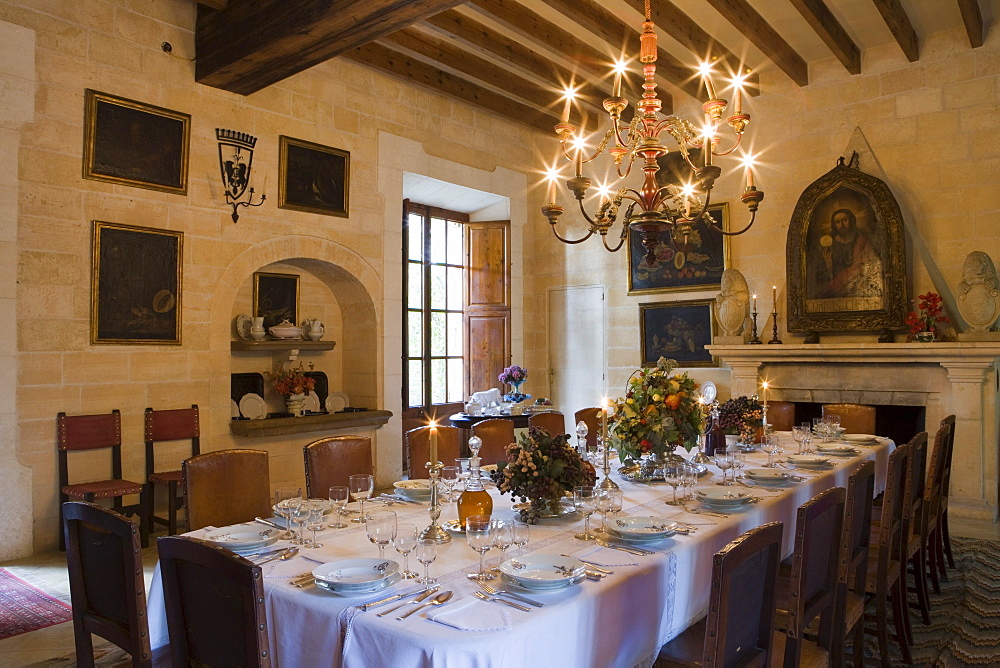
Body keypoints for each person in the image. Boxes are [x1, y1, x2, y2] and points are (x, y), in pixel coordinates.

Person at [816, 208, 883, 299]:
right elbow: (820, 277)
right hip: (835, 291)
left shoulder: (861, 241)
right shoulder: (830, 245)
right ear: (834, 225)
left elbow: (871, 265)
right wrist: (828, 266)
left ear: (851, 221)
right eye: (837, 222)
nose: (842, 225)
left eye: (845, 220)